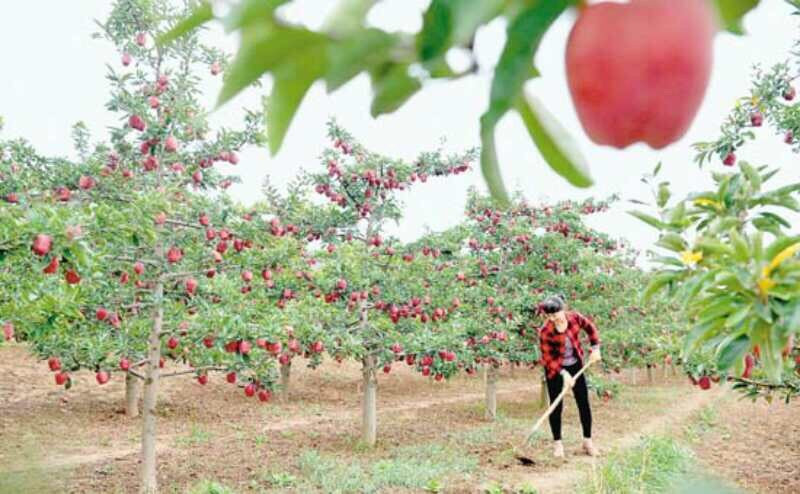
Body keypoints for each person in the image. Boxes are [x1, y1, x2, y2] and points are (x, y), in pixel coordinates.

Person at [537, 295, 601, 458]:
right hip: (555, 370)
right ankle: (557, 444)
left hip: (575, 365)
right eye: (549, 316)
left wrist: (595, 348)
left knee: (583, 402)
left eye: (555, 314)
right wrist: (563, 374)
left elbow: (591, 328)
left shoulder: (575, 318)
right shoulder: (546, 331)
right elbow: (547, 359)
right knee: (556, 406)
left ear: (562, 309)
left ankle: (587, 441)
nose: (553, 318)